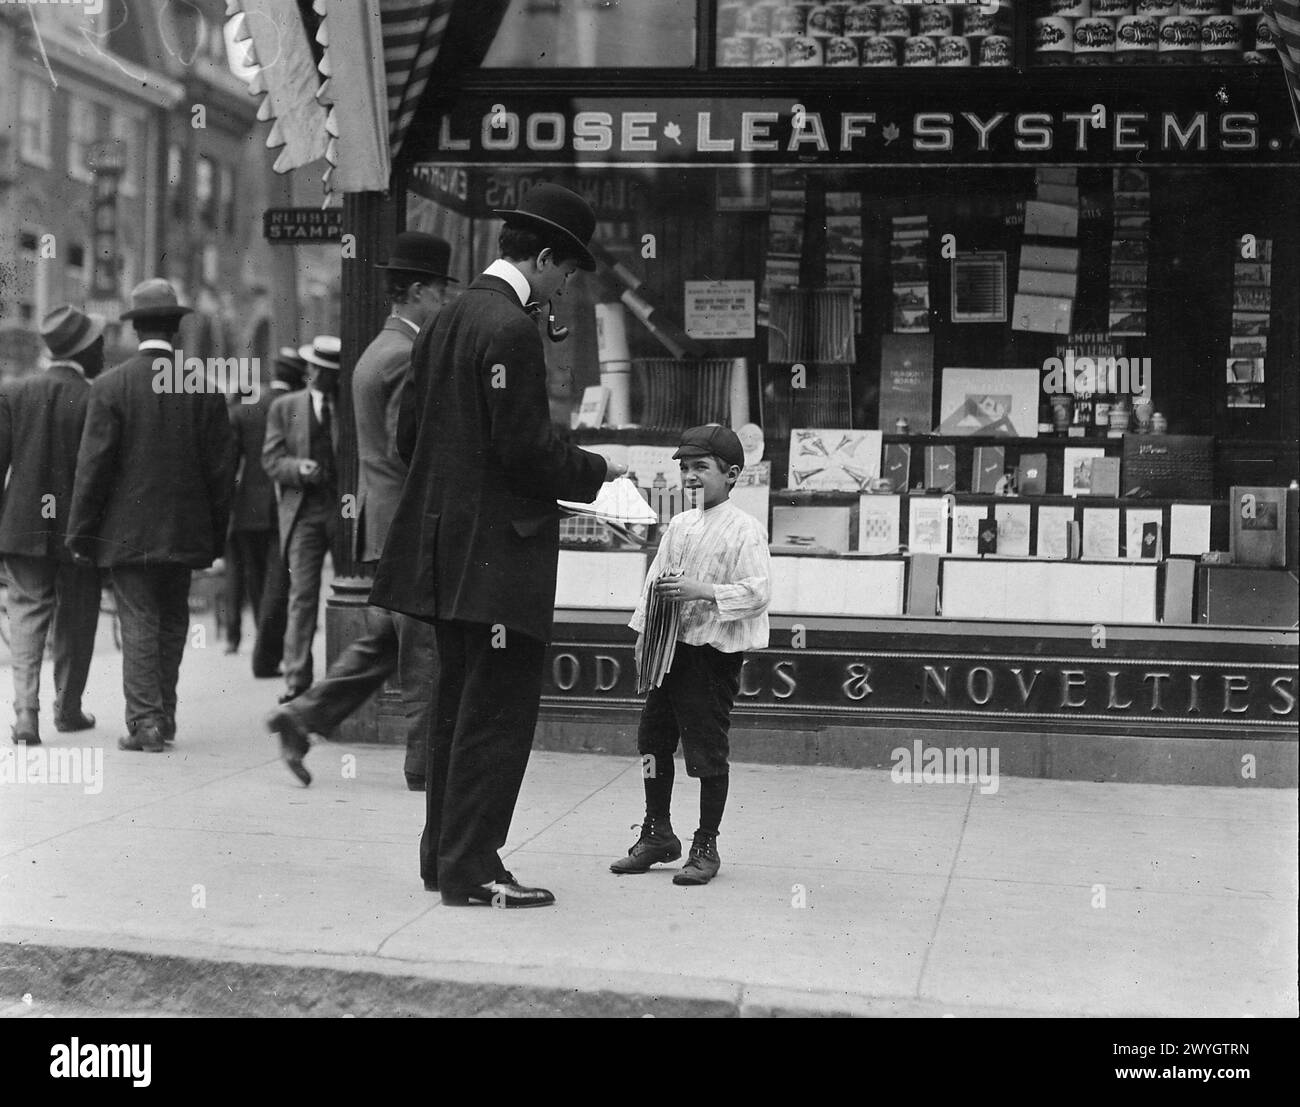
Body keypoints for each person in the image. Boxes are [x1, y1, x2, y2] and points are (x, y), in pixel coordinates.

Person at [370, 183, 628, 908]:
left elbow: (409, 438)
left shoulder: (446, 319)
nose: (567, 287)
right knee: (494, 720)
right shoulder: (510, 330)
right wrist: (602, 470)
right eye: (567, 272)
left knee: (456, 709)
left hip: (445, 558)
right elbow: (526, 454)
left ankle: (442, 857)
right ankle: (475, 867)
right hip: (500, 563)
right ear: (543, 258)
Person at [265, 233, 457, 788]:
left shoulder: (376, 351)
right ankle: (425, 768)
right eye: (440, 291)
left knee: (385, 642)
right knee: (422, 651)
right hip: (409, 525)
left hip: (382, 522)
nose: (444, 302)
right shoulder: (407, 355)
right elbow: (413, 448)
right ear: (418, 291)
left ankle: (301, 717)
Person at [66, 280, 237, 752]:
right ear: (177, 328)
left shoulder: (110, 386)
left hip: (127, 532)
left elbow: (92, 469)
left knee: (138, 619)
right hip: (185, 532)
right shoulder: (203, 387)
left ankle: (146, 722)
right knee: (172, 620)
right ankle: (164, 714)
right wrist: (215, 537)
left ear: (136, 327)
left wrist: (81, 533)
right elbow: (223, 475)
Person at [610, 424, 770, 886]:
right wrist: (643, 635)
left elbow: (758, 594)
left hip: (712, 657)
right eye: (684, 468)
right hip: (669, 651)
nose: (690, 476)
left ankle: (706, 843)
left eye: (701, 467)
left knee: (705, 751)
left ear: (732, 473)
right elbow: (654, 585)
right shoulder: (679, 524)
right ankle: (657, 831)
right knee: (652, 742)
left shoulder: (745, 530)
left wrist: (704, 592)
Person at [0, 306, 105, 746]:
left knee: (25, 613)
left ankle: (27, 713)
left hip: (22, 525)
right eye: (98, 342)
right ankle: (67, 709)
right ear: (85, 349)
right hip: (78, 530)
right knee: (78, 618)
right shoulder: (95, 396)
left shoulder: (14, 392)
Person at [261, 335, 341, 704]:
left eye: (329, 373)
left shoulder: (347, 408)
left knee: (347, 594)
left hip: (343, 512)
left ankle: (342, 679)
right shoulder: (285, 407)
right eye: (318, 371)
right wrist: (298, 468)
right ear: (309, 370)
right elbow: (271, 459)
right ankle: (297, 680)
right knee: (303, 596)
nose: (321, 378)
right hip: (305, 513)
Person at [250, 347, 307, 679]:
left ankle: (258, 646)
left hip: (247, 511)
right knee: (277, 583)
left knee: (254, 581)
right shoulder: (294, 408)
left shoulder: (250, 404)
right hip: (283, 504)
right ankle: (266, 656)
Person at [224, 373, 278, 657]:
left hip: (243, 506)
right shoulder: (270, 410)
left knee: (242, 572)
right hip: (272, 502)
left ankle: (234, 636)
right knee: (269, 574)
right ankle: (264, 634)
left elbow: (230, 464)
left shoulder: (237, 415)